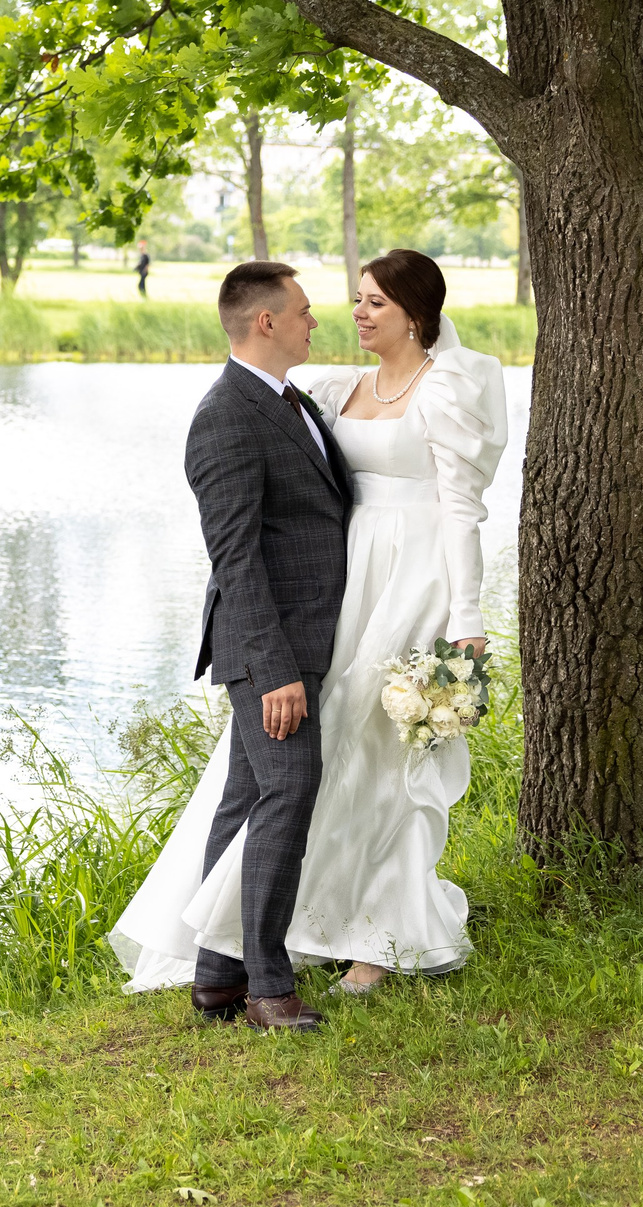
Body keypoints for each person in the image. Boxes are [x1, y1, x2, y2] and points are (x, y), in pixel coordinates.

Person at [111, 249, 509, 1008]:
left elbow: (461, 510)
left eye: (374, 304)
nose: (348, 315)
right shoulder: (325, 391)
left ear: (418, 315)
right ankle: (252, 955)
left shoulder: (449, 386)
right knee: (302, 772)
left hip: (413, 581)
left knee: (393, 761)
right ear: (269, 321)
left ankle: (370, 937)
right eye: (347, 301)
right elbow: (245, 544)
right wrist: (274, 657)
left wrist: (467, 617)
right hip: (341, 593)